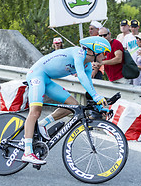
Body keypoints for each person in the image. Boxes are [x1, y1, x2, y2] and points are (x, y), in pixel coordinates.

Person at [22, 36, 111, 164]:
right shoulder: (79, 53)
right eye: (104, 53)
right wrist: (97, 97)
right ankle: (27, 152)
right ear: (94, 51)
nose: (105, 57)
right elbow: (80, 75)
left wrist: (98, 104)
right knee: (35, 111)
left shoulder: (88, 66)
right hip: (37, 75)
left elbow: (89, 87)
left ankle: (42, 125)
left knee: (73, 105)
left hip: (47, 80)